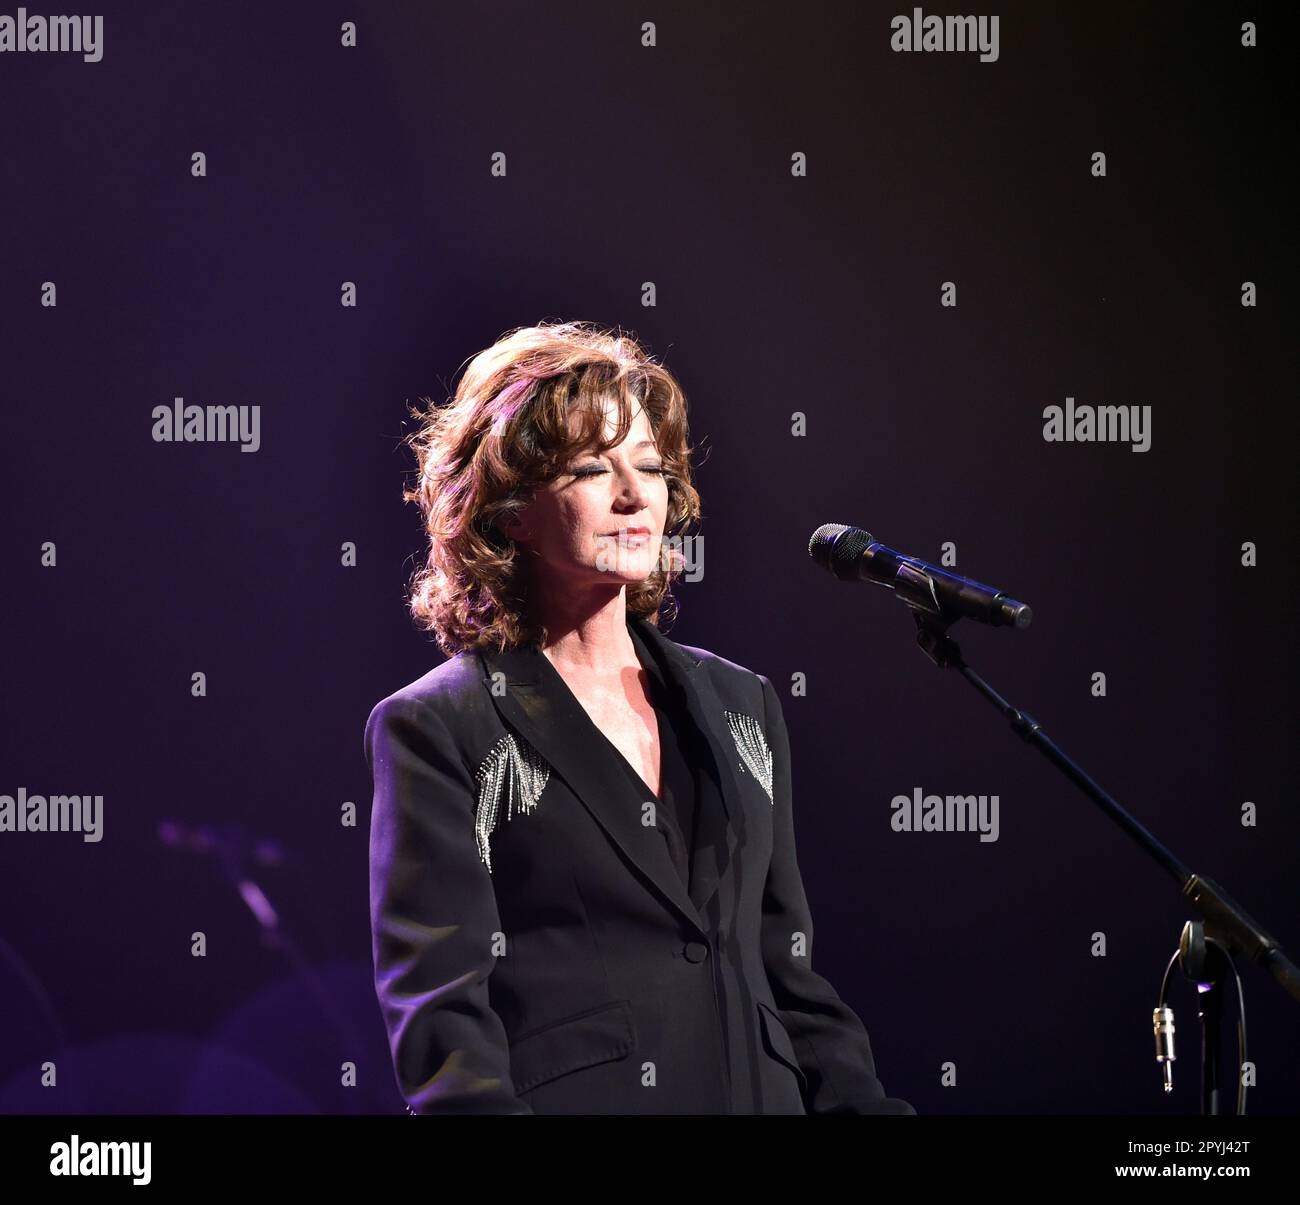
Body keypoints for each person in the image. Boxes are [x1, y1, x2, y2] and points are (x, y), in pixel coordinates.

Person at [365, 320, 915, 1115]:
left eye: (651, 468)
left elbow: (789, 977)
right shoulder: (439, 726)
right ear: (510, 509)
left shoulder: (742, 705)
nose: (634, 494)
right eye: (592, 467)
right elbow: (446, 1031)